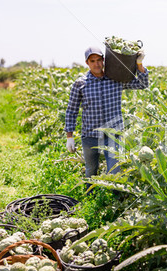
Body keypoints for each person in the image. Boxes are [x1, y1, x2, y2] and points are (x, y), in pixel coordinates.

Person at [65, 46, 149, 193]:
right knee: (91, 171)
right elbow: (72, 110)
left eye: (99, 60)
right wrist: (69, 137)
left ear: (104, 60)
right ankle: (91, 201)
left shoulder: (115, 78)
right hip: (90, 135)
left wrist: (139, 64)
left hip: (113, 135)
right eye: (93, 61)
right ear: (87, 63)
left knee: (115, 172)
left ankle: (115, 205)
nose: (96, 64)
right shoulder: (80, 83)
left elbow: (142, 84)